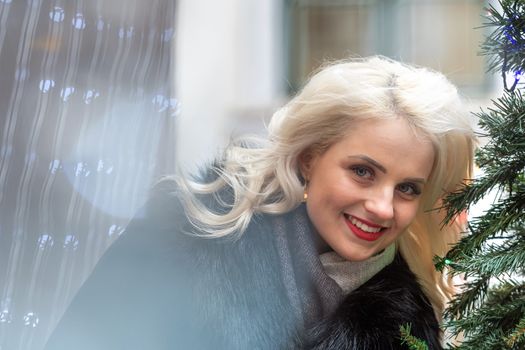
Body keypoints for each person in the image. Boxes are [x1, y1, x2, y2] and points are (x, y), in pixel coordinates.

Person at [44, 56, 475, 349]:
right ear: (309, 158)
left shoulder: (408, 325)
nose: (383, 207)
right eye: (363, 171)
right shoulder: (183, 233)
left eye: (407, 189)